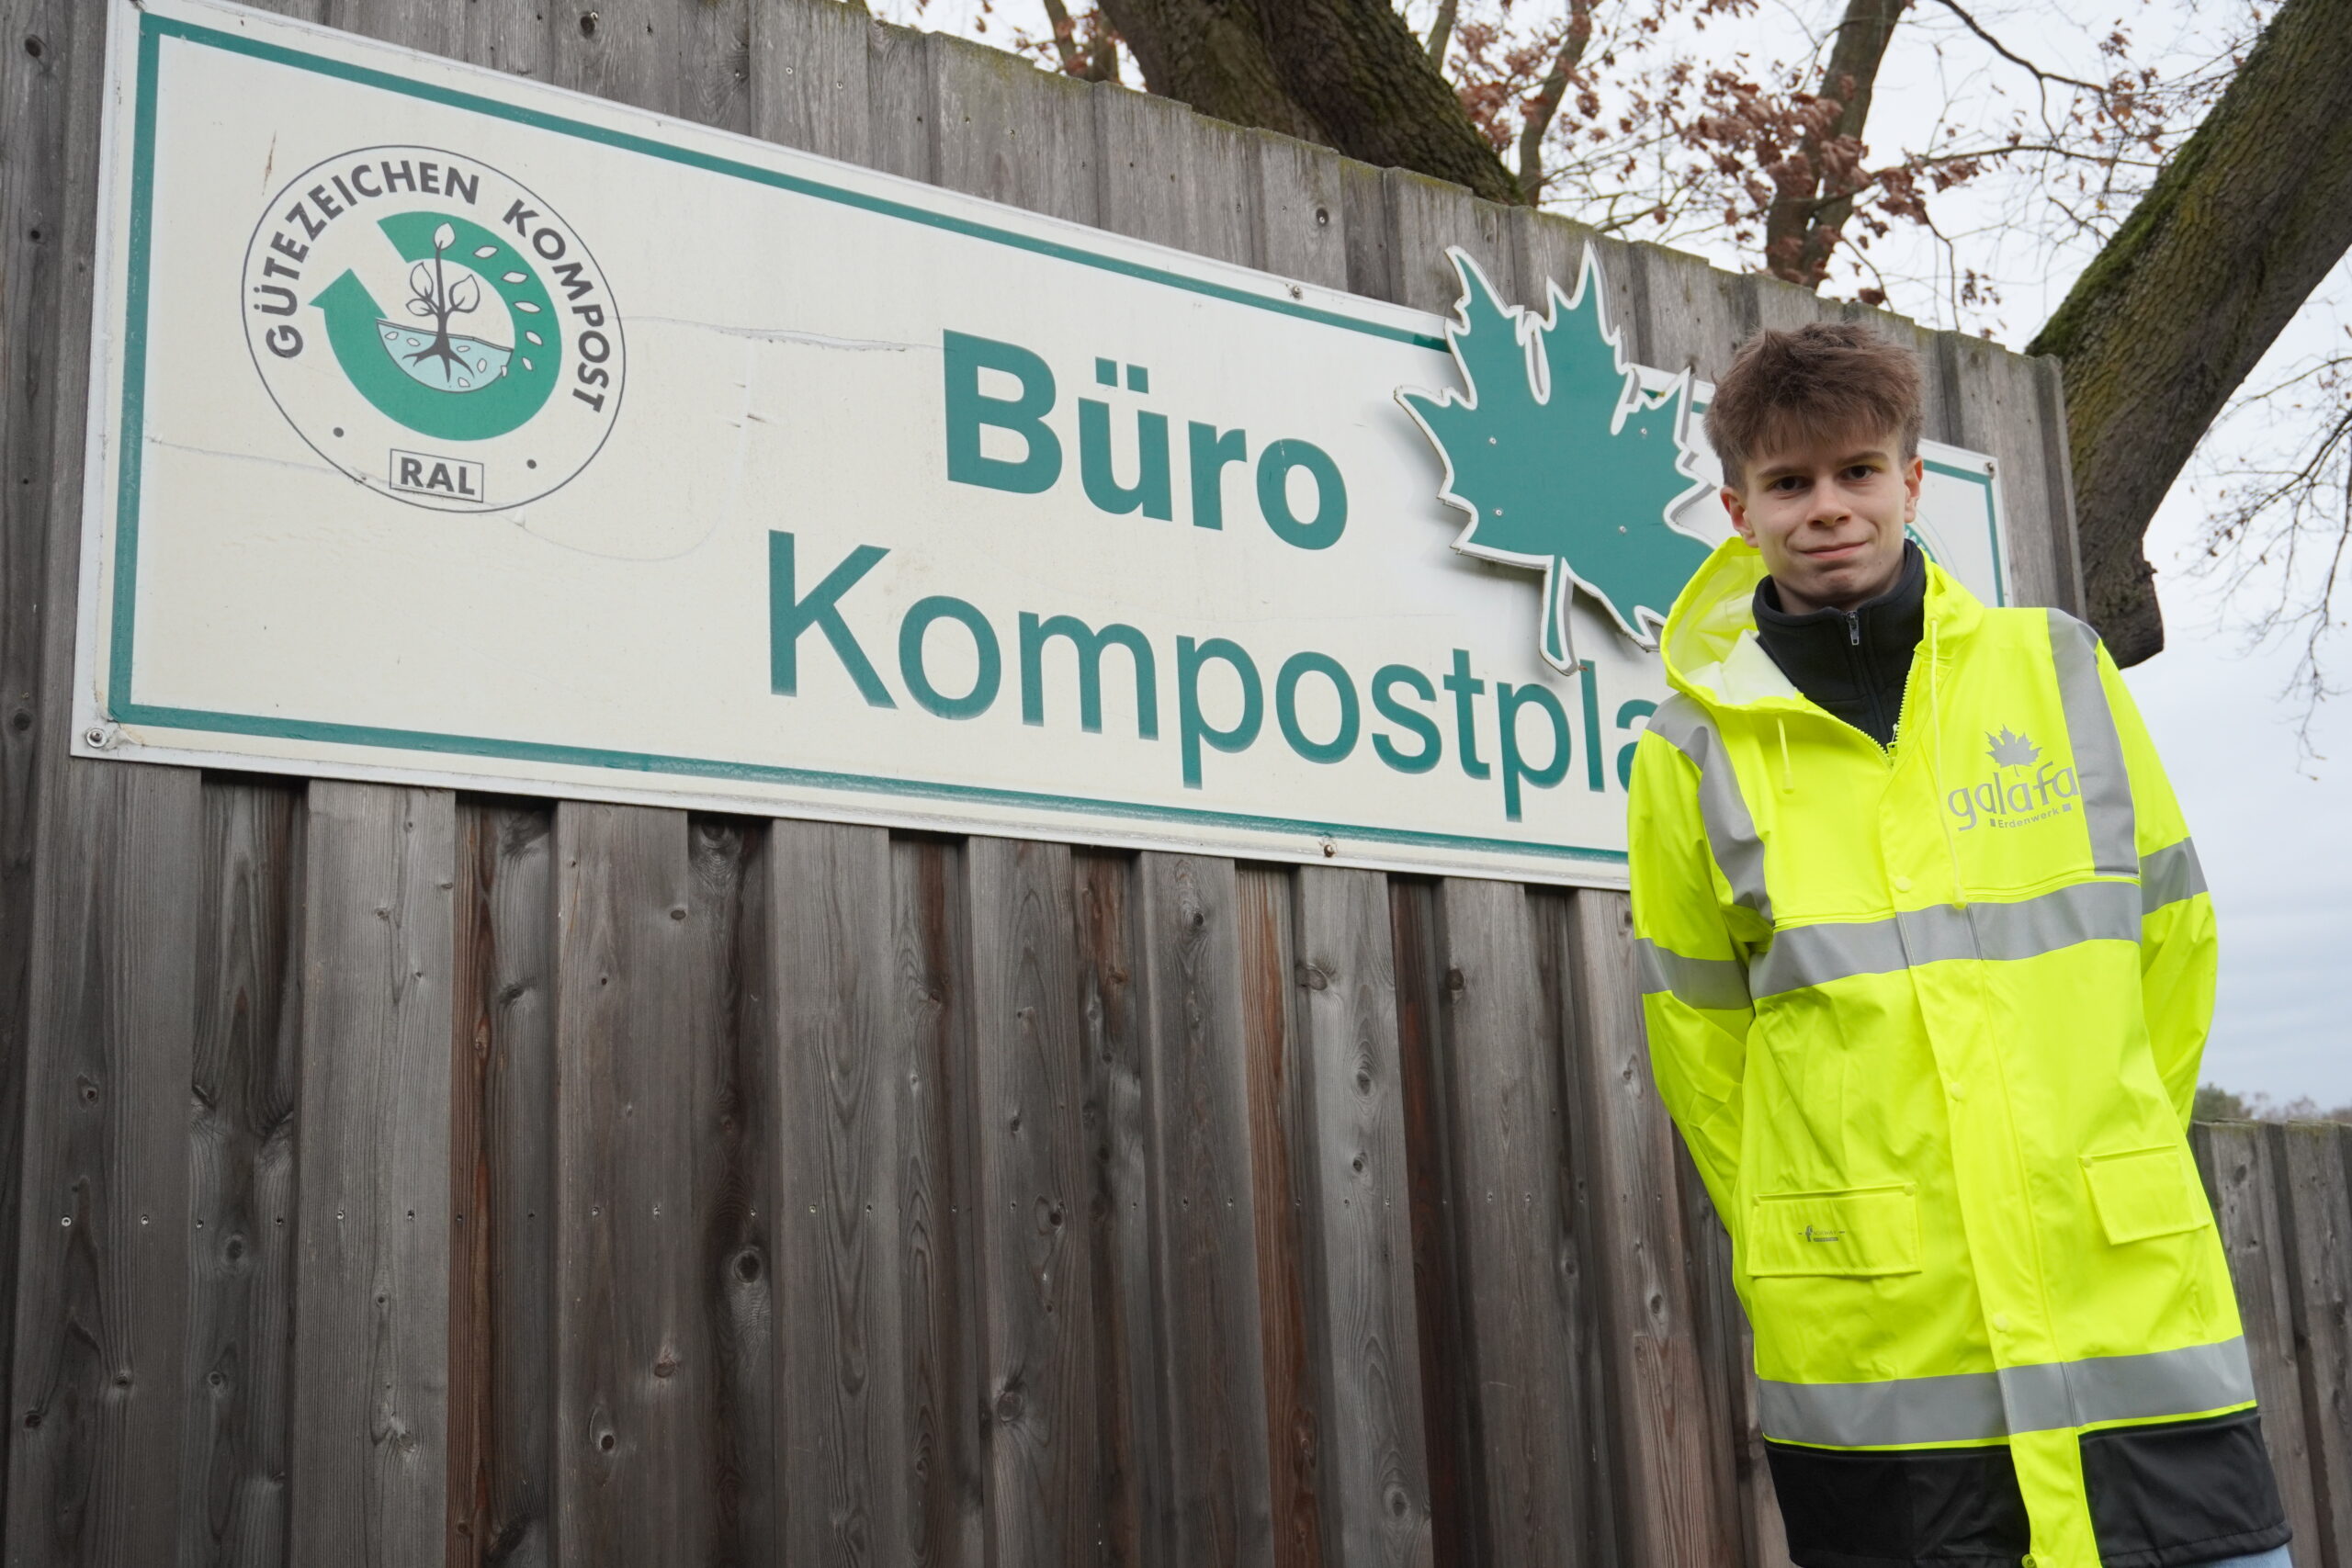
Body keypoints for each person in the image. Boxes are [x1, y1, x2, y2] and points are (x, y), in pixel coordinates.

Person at [1625, 322, 2292, 1568]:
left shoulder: (2059, 672)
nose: (1828, 507)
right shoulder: (1691, 750)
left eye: (1857, 471)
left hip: (2123, 1316)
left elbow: (2171, 947)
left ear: (1911, 479)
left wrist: (2101, 1141)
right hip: (1881, 1346)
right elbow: (1704, 1052)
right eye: (1789, 483)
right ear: (1738, 507)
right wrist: (1806, 1219)